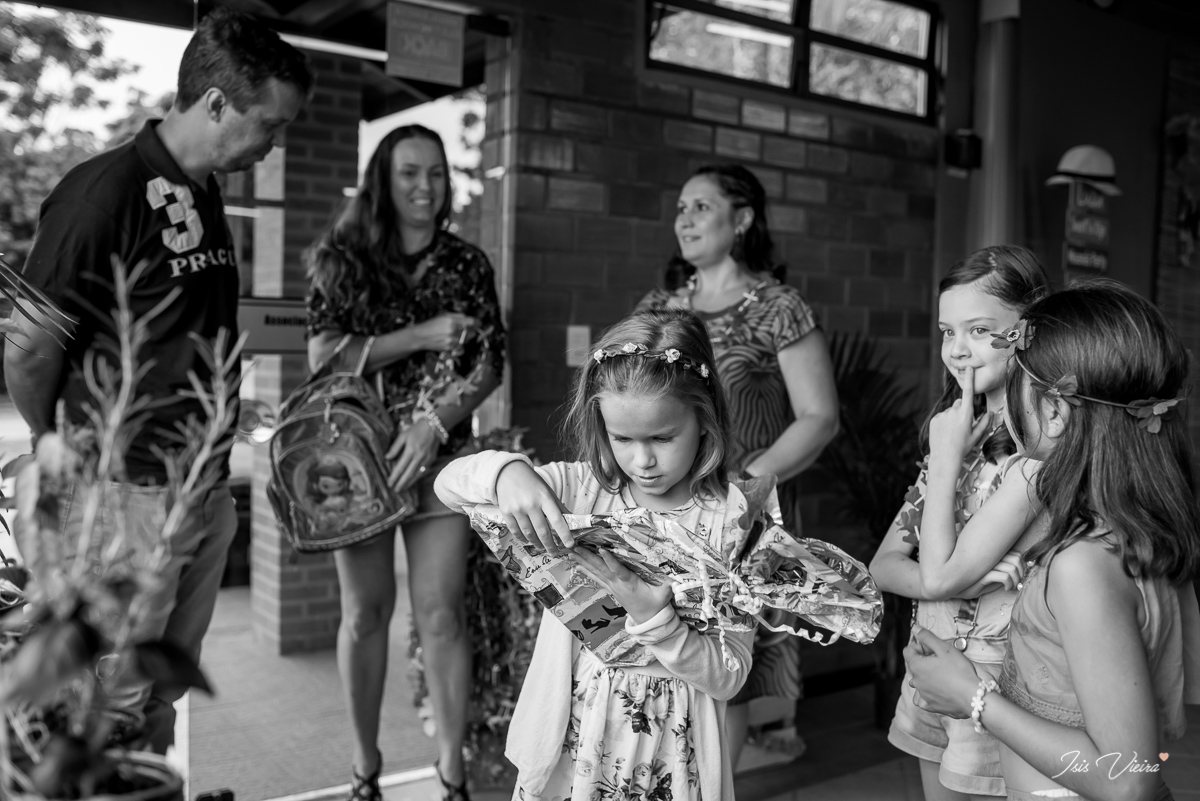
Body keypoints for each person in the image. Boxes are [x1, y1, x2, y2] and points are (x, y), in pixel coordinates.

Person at [3, 8, 311, 754]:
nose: (275, 144)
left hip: (199, 491)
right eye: (269, 124)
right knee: (109, 698)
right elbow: (29, 347)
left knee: (158, 690)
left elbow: (173, 332)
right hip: (124, 496)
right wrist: (59, 441)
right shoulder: (99, 194)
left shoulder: (203, 191)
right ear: (214, 104)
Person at [434, 308, 753, 801]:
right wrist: (507, 472)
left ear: (705, 418)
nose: (641, 461)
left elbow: (730, 676)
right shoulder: (581, 488)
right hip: (573, 739)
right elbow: (449, 484)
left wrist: (656, 619)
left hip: (673, 751)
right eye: (622, 438)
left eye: (663, 438)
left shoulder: (731, 519)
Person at [906, 281, 1200, 801]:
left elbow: (1128, 778)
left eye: (1017, 382)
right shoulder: (1139, 530)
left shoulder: (1084, 563)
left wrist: (971, 696)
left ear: (1057, 413)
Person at [306, 124, 506, 801]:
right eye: (410, 174)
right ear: (382, 183)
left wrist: (433, 422)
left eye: (437, 173)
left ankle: (452, 773)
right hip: (353, 465)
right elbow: (322, 354)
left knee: (441, 614)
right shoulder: (343, 257)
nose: (426, 187)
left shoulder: (468, 264)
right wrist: (419, 335)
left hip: (440, 460)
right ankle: (365, 768)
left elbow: (488, 361)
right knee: (365, 612)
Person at [636, 163, 839, 766]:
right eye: (680, 208)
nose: (685, 218)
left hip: (746, 509)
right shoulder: (658, 309)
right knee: (666, 651)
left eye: (701, 206)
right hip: (665, 507)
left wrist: (750, 484)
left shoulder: (779, 306)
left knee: (728, 664)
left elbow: (819, 417)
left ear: (742, 218)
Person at [870, 246, 1051, 800]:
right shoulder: (957, 431)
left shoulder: (1042, 446)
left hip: (994, 677)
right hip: (928, 659)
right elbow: (883, 566)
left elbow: (934, 578)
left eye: (978, 330)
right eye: (949, 332)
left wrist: (944, 459)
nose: (958, 350)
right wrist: (948, 457)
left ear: (1030, 330)